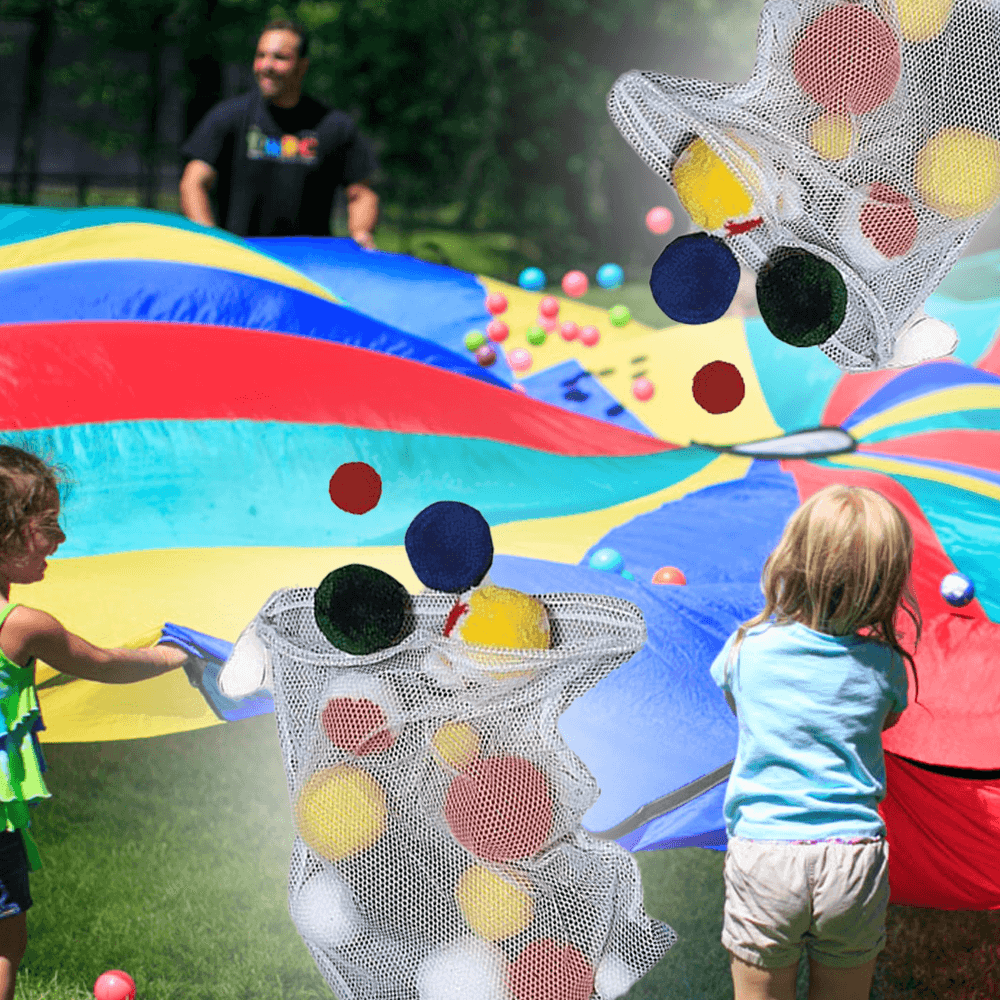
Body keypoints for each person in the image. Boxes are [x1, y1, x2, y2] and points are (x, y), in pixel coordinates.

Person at [710, 484, 922, 1000]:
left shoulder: (746, 650)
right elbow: (886, 720)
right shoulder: (886, 667)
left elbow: (739, 705)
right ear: (885, 582)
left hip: (765, 853)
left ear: (792, 562)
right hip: (853, 856)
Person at [0, 446, 189, 1000]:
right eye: (49, 527)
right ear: (6, 533)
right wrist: (176, 655)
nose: (61, 541)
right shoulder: (21, 625)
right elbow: (104, 664)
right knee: (5, 935)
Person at [179, 19, 379, 245]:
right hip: (243, 262)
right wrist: (209, 239)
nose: (266, 66)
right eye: (261, 55)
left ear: (303, 65)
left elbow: (361, 194)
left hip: (307, 268)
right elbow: (193, 182)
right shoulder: (228, 117)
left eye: (279, 57)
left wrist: (362, 235)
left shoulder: (335, 126)